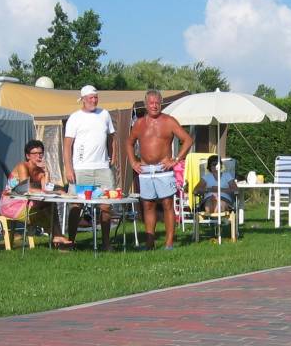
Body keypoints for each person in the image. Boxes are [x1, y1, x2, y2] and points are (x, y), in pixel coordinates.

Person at [127, 89, 193, 250]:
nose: (154, 106)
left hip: (164, 169)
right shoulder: (139, 123)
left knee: (167, 204)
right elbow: (129, 143)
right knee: (148, 205)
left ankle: (169, 243)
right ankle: (150, 244)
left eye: (157, 102)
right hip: (145, 171)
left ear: (161, 104)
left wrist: (176, 160)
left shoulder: (169, 121)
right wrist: (133, 162)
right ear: (145, 104)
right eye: (151, 103)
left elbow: (187, 140)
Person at [63, 84, 116, 250]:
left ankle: (106, 243)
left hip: (102, 168)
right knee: (76, 205)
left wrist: (113, 156)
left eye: (96, 97)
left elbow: (111, 137)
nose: (94, 100)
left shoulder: (104, 114)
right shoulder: (75, 118)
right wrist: (69, 168)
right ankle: (70, 242)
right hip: (81, 169)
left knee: (106, 205)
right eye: (91, 98)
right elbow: (67, 146)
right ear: (83, 100)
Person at [0, 140, 73, 248]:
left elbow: (46, 189)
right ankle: (57, 235)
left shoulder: (40, 171)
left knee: (50, 204)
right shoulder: (22, 166)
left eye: (41, 153)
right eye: (35, 153)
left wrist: (46, 172)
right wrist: (53, 191)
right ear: (28, 156)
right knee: (47, 208)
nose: (39, 156)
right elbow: (26, 188)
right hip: (10, 204)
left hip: (27, 203)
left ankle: (57, 236)